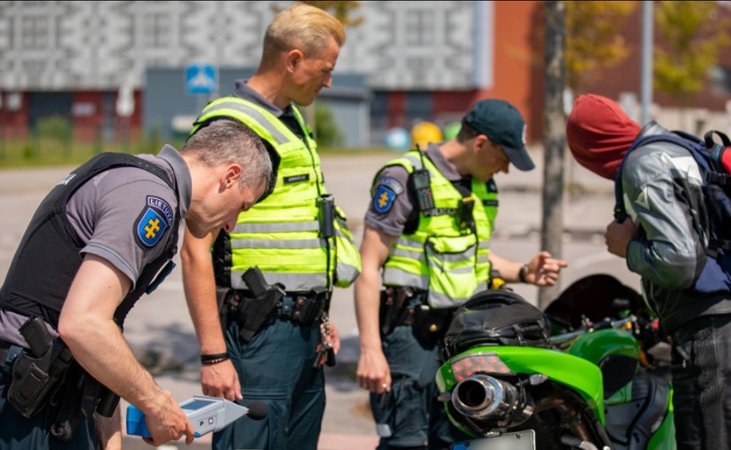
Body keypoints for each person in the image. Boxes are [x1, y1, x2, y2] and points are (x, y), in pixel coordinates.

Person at [0, 119, 272, 450]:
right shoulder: (151, 200)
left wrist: (110, 438)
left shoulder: (131, 176)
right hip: (29, 403)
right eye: (241, 207)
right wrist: (155, 403)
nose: (231, 225)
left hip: (48, 389)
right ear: (230, 176)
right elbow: (83, 324)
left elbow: (102, 331)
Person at [179, 3, 361, 450]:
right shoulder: (233, 126)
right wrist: (213, 353)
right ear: (294, 59)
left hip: (302, 331)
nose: (330, 80)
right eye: (326, 68)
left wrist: (318, 312)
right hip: (258, 333)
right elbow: (194, 248)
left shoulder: (291, 121)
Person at [355, 99, 569, 450]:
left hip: (463, 337)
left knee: (458, 438)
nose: (506, 170)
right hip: (411, 336)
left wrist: (524, 272)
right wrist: (370, 350)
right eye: (504, 158)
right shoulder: (406, 177)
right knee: (405, 441)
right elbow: (368, 264)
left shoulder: (482, 187)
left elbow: (473, 257)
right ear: (481, 143)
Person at [566, 93, 731, 450]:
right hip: (721, 323)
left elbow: (679, 262)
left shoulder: (643, 162)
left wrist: (627, 247)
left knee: (707, 440)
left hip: (710, 334)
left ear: (591, 152)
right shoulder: (678, 147)